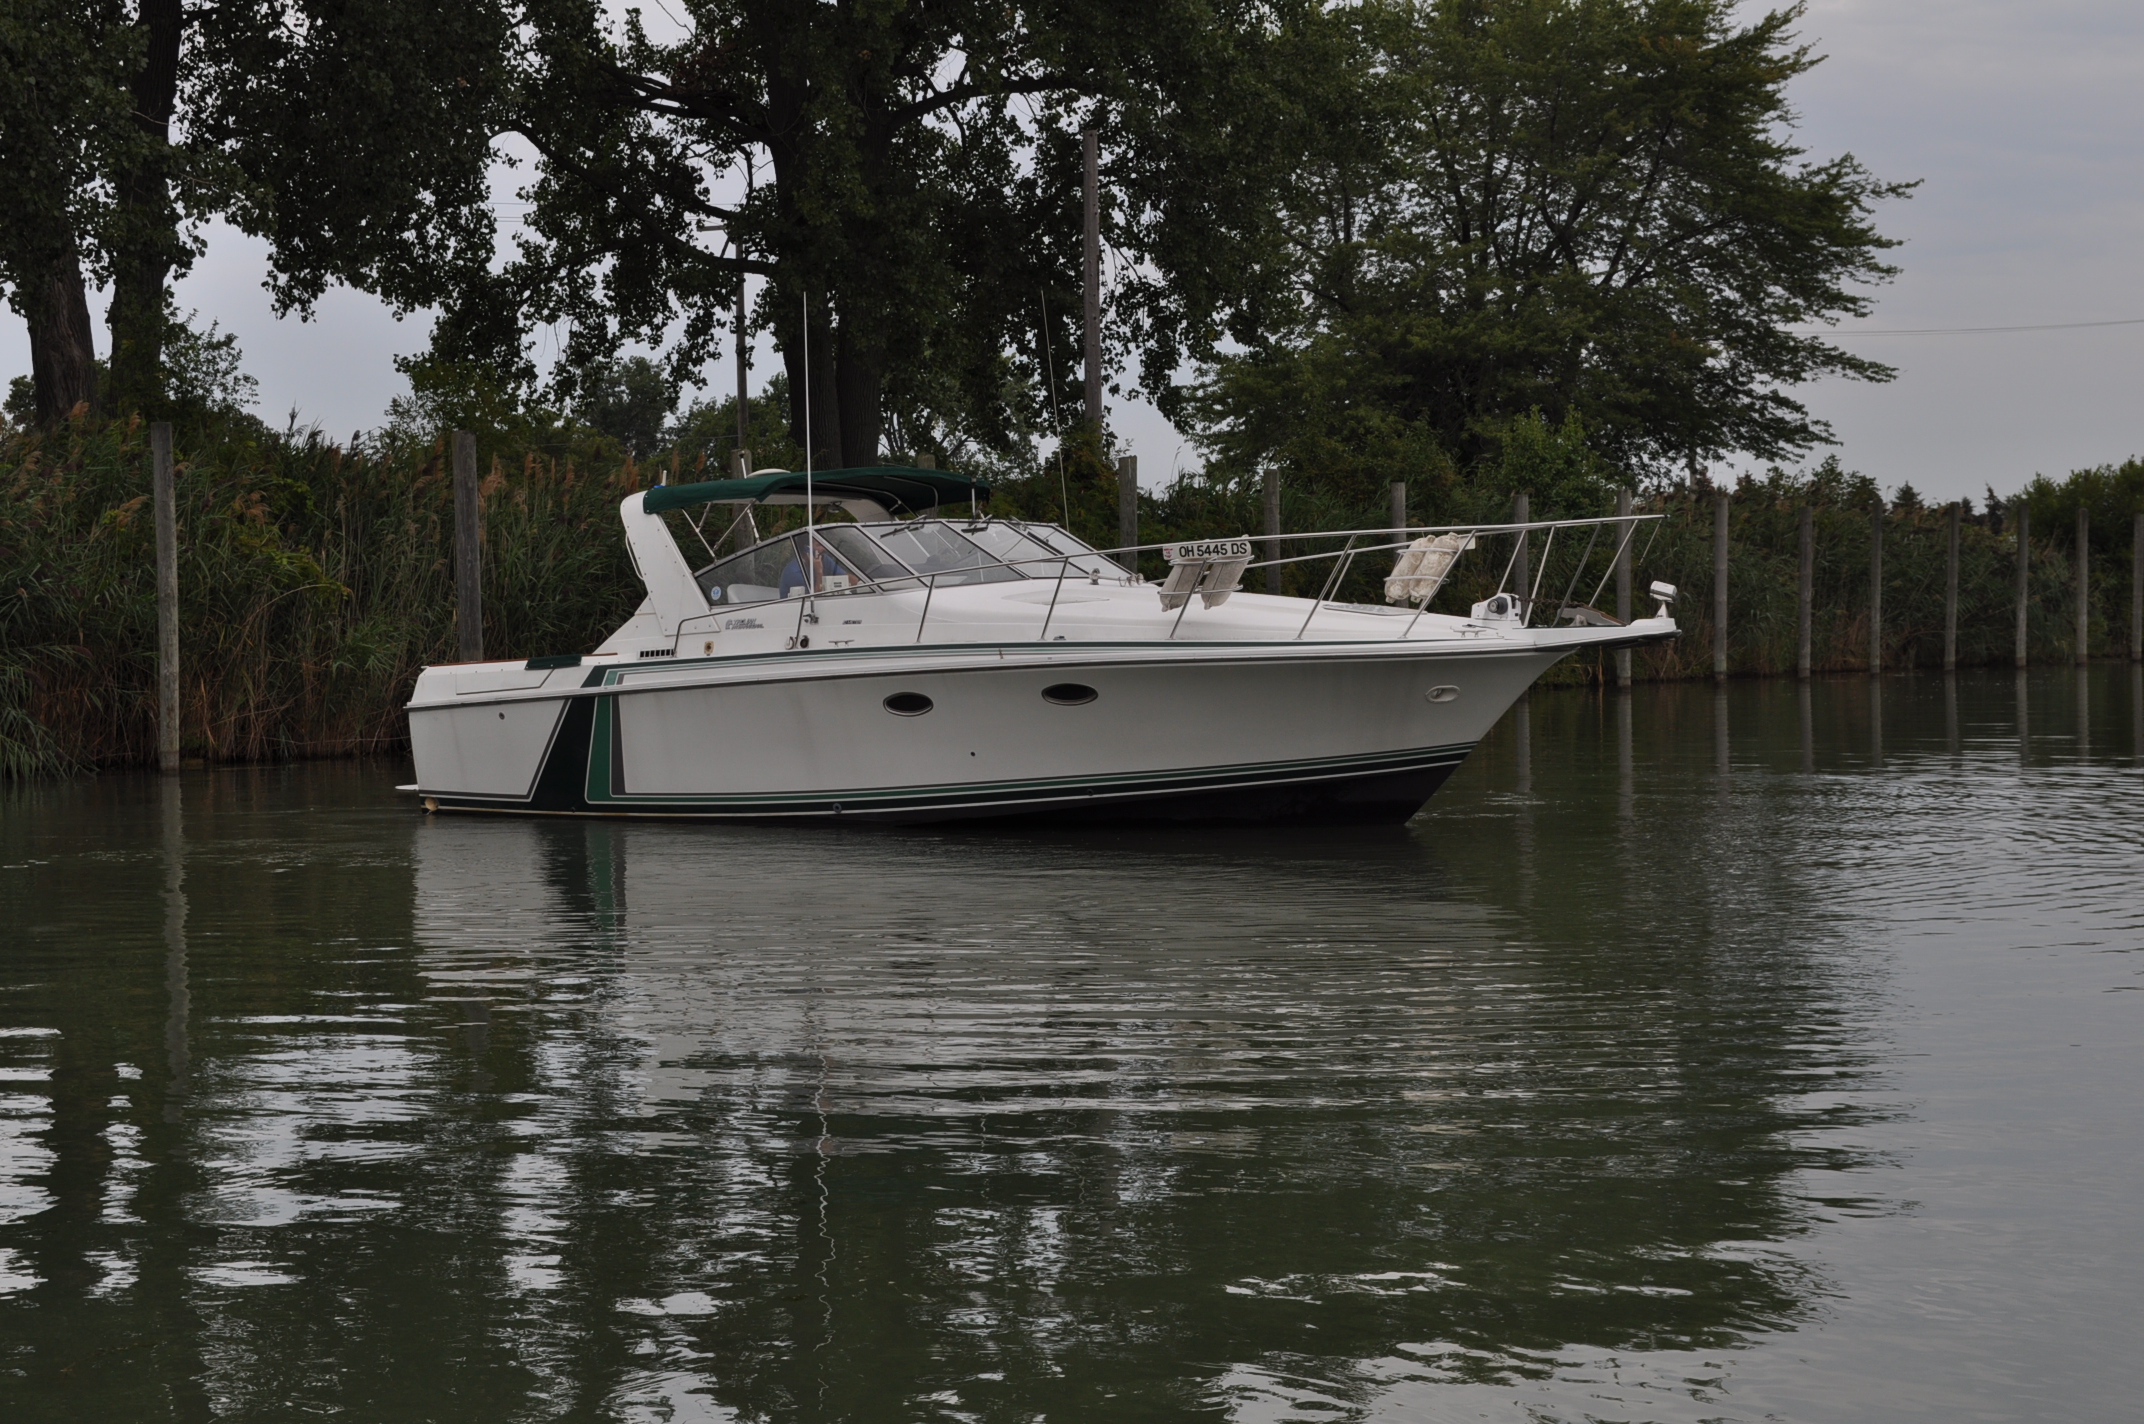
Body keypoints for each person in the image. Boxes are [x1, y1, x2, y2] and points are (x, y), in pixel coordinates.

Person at [779, 534, 850, 597]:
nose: (823, 548)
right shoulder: (794, 572)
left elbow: (846, 577)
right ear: (807, 549)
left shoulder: (823, 559)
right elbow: (814, 600)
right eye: (819, 545)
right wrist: (819, 572)